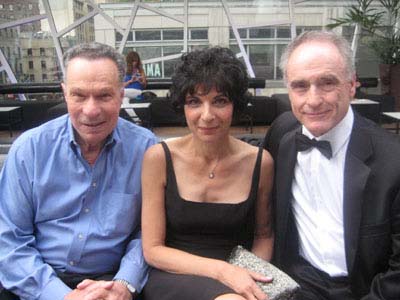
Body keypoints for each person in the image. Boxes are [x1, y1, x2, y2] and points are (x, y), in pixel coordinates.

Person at [0, 42, 157, 300]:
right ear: (65, 93)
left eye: (104, 95)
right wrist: (60, 296)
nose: (91, 110)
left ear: (121, 95)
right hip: (35, 282)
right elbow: (8, 240)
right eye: (79, 95)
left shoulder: (147, 150)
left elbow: (150, 232)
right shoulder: (30, 149)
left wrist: (124, 284)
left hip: (111, 282)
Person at [263, 30, 400, 299]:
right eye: (300, 86)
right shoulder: (282, 134)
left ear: (351, 84)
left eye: (327, 83)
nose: (313, 100)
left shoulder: (393, 162)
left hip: (362, 290)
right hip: (295, 282)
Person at [141, 47, 274, 300]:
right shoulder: (158, 158)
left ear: (235, 104)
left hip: (240, 274)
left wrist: (252, 277)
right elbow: (153, 249)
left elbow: (264, 235)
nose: (207, 115)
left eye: (220, 101)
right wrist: (223, 272)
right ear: (182, 107)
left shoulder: (260, 162)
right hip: (174, 274)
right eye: (194, 102)